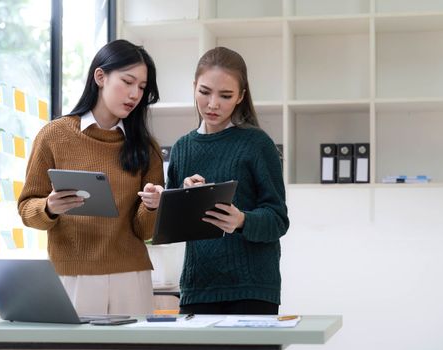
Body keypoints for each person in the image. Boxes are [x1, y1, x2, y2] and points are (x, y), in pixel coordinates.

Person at [18, 39, 164, 315]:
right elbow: (26, 210)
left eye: (142, 88)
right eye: (128, 81)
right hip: (72, 276)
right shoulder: (54, 135)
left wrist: (153, 206)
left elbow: (145, 231)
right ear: (100, 76)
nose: (135, 94)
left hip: (130, 276)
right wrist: (49, 207)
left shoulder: (146, 148)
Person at [167, 47, 289, 315]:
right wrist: (182, 197)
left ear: (241, 97)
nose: (213, 104)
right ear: (194, 87)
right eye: (204, 92)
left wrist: (241, 221)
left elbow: (278, 219)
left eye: (225, 96)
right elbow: (172, 228)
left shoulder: (258, 144)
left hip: (253, 289)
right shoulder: (182, 148)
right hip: (198, 287)